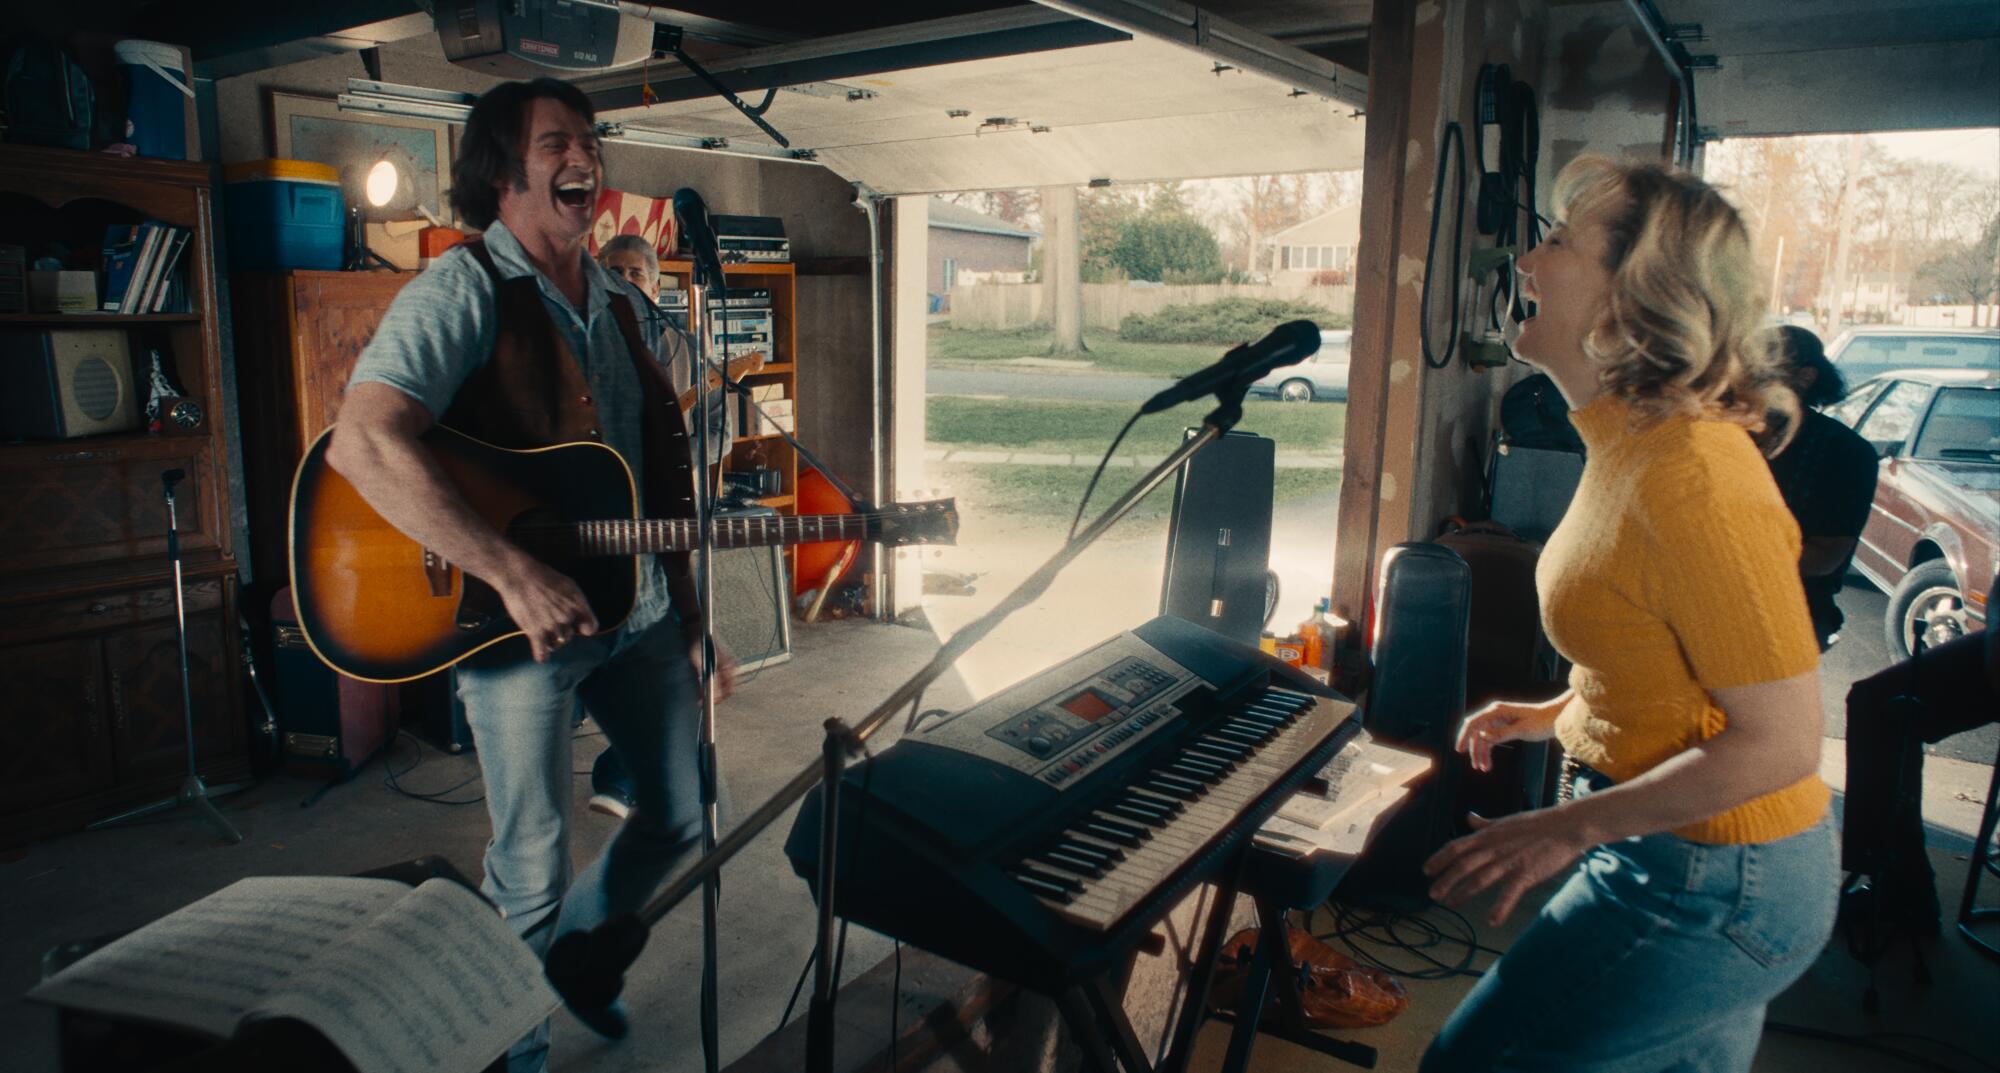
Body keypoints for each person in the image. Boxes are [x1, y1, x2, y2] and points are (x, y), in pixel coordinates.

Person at [326, 77, 735, 1072]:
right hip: (516, 628)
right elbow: (362, 442)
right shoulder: (460, 289)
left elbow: (656, 484)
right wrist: (507, 567)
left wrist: (687, 613)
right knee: (529, 863)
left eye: (588, 138)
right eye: (556, 141)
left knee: (680, 811)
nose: (582, 155)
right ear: (503, 173)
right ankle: (517, 1053)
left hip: (633, 611)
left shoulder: (622, 305)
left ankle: (577, 964)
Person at [1419, 156, 1836, 1073]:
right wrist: (1563, 712)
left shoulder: (1693, 475)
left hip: (1715, 877)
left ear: (1634, 296)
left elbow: (1780, 742)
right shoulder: (1630, 446)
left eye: (1560, 239)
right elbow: (1665, 659)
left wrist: (1568, 825)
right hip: (1686, 854)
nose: (1527, 258)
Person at [586, 233, 734, 820]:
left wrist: (681, 456)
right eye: (612, 270)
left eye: (635, 272)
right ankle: (633, 769)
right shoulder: (586, 343)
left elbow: (722, 427)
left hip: (668, 516)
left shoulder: (681, 347)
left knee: (683, 639)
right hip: (601, 519)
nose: (624, 280)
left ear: (655, 283)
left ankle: (637, 777)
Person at [1764, 325, 1879, 650]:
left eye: (1762, 370)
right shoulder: (1721, 434)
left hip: (1794, 611)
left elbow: (1826, 555)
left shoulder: (1845, 452)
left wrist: (1727, 568)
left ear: (1805, 377)